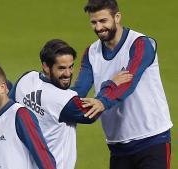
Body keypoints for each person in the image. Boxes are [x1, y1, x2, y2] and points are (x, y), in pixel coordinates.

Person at [73, 0, 173, 168]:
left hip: (152, 140)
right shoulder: (91, 53)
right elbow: (79, 90)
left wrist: (102, 101)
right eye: (93, 22)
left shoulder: (140, 44)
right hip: (118, 146)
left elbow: (128, 82)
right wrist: (58, 102)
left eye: (103, 21)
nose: (98, 27)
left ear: (117, 17)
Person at [8, 39, 131, 169]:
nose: (67, 73)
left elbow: (8, 111)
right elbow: (94, 109)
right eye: (61, 68)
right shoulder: (64, 101)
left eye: (71, 66)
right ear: (45, 66)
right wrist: (111, 85)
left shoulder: (26, 79)